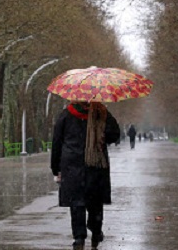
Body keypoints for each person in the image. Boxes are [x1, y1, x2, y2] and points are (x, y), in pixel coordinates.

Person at [51, 101, 120, 250]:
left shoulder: (66, 114)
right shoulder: (101, 113)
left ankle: (79, 237)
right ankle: (95, 231)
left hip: (72, 165)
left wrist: (55, 168)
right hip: (95, 164)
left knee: (76, 202)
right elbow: (114, 135)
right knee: (95, 201)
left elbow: (57, 142)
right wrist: (99, 134)